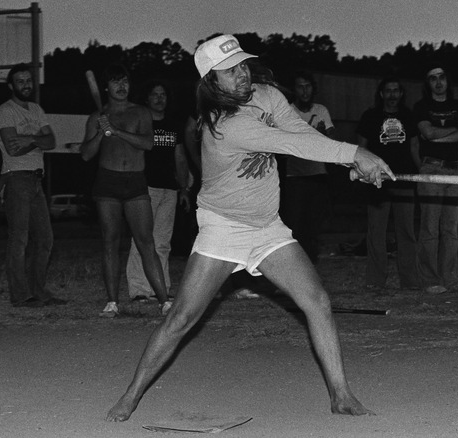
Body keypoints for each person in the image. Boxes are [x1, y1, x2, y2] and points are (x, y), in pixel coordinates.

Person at [105, 34, 393, 422]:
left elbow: (300, 132)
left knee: (317, 301)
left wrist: (350, 163)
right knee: (182, 319)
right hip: (224, 227)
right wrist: (357, 152)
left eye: (242, 64)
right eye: (230, 71)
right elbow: (285, 144)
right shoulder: (222, 126)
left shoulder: (266, 94)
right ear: (211, 82)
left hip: (266, 227)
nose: (242, 75)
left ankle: (341, 395)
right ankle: (130, 396)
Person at [80, 64, 171, 316]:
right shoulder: (96, 117)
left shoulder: (140, 112)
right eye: (116, 82)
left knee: (146, 242)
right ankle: (112, 302)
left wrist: (117, 131)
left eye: (125, 82)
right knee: (110, 242)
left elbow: (148, 143)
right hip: (107, 182)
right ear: (107, 87)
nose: (121, 87)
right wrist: (100, 132)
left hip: (135, 181)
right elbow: (86, 155)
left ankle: (164, 301)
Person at [0, 63, 66, 308]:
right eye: (20, 81)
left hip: (36, 179)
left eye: (28, 80)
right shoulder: (5, 112)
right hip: (15, 177)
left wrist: (30, 139)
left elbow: (52, 140)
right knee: (19, 239)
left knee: (45, 239)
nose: (26, 84)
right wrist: (38, 140)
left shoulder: (36, 109)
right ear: (11, 86)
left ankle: (39, 291)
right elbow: (12, 148)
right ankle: (21, 295)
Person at [125, 81, 190, 302]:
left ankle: (160, 288)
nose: (159, 99)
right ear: (147, 98)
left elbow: (180, 158)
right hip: (145, 188)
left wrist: (184, 188)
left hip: (169, 189)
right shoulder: (141, 122)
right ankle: (139, 290)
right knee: (142, 239)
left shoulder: (174, 125)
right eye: (155, 94)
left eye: (163, 95)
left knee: (162, 241)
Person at [356, 76, 420, 290]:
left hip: (404, 182)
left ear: (401, 94)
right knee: (376, 233)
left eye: (396, 90)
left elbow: (414, 148)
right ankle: (375, 282)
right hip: (378, 182)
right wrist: (361, 171)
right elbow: (361, 148)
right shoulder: (370, 116)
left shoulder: (409, 116)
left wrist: (420, 174)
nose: (392, 94)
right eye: (388, 90)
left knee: (407, 233)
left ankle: (410, 282)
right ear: (382, 94)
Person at [412, 66, 458, 294]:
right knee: (429, 228)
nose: (438, 82)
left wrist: (440, 138)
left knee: (451, 230)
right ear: (428, 83)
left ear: (448, 81)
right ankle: (430, 280)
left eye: (442, 77)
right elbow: (427, 133)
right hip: (432, 169)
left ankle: (451, 279)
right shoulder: (421, 107)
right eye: (433, 78)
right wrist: (452, 133)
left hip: (456, 170)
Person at [280, 71, 335, 264]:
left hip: (318, 174)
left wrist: (319, 137)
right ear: (294, 89)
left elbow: (332, 141)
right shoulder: (286, 110)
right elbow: (282, 143)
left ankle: (310, 267)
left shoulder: (321, 110)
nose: (304, 90)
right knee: (293, 225)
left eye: (308, 86)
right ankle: (292, 266)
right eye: (300, 86)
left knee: (314, 226)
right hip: (294, 176)